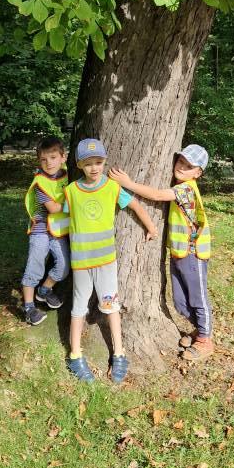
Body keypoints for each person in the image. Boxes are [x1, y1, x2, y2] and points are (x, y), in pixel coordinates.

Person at [62, 138, 158, 383]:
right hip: (81, 263)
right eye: (88, 163)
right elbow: (60, 220)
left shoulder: (112, 188)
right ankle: (75, 355)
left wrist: (151, 227)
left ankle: (119, 353)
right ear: (79, 165)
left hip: (106, 262)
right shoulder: (71, 191)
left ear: (104, 161)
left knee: (111, 306)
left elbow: (134, 204)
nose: (94, 168)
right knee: (78, 307)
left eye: (98, 162)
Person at [110, 144, 213, 362]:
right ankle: (198, 330)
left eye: (189, 166)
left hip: (193, 254)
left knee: (197, 297)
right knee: (180, 301)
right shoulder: (181, 186)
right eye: (181, 161)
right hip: (179, 253)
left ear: (198, 173)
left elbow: (157, 195)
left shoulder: (186, 189)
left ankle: (205, 339)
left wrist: (128, 184)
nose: (182, 167)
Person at [22, 136, 70, 326]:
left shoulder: (67, 175)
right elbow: (54, 208)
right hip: (40, 231)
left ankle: (44, 291)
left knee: (64, 266)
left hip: (58, 230)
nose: (48, 163)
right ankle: (28, 308)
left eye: (53, 157)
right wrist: (77, 204)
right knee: (35, 267)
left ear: (63, 157)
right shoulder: (40, 183)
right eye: (43, 159)